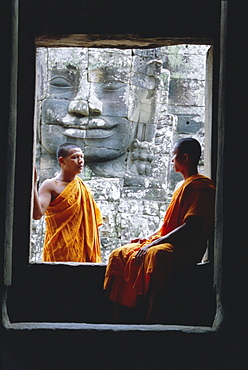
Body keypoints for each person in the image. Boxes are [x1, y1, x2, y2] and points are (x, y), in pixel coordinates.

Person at [103, 138, 215, 322]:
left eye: (174, 156)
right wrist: (149, 238)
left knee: (156, 255)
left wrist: (155, 243)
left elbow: (191, 227)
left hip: (184, 247)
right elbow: (168, 224)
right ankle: (118, 315)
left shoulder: (202, 186)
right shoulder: (181, 186)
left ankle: (152, 317)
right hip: (166, 240)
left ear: (185, 157)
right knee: (119, 254)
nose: (172, 160)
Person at [33, 143, 102, 262]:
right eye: (75, 157)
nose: (80, 161)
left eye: (82, 157)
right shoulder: (50, 185)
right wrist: (33, 185)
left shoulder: (82, 187)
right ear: (62, 161)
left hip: (82, 249)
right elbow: (37, 214)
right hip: (58, 248)